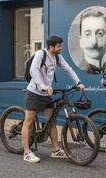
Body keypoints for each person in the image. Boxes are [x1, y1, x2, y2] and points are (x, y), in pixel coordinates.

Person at [22, 35, 85, 163]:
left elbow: (68, 68)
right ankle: (27, 152)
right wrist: (42, 86)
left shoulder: (57, 56)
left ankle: (56, 150)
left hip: (46, 94)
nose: (61, 48)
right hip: (35, 92)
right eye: (59, 46)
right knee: (28, 121)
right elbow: (34, 70)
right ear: (51, 47)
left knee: (52, 121)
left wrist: (78, 81)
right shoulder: (41, 54)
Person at [77, 7, 106, 74]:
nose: (94, 42)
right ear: (80, 41)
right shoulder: (77, 68)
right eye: (87, 34)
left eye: (100, 34)